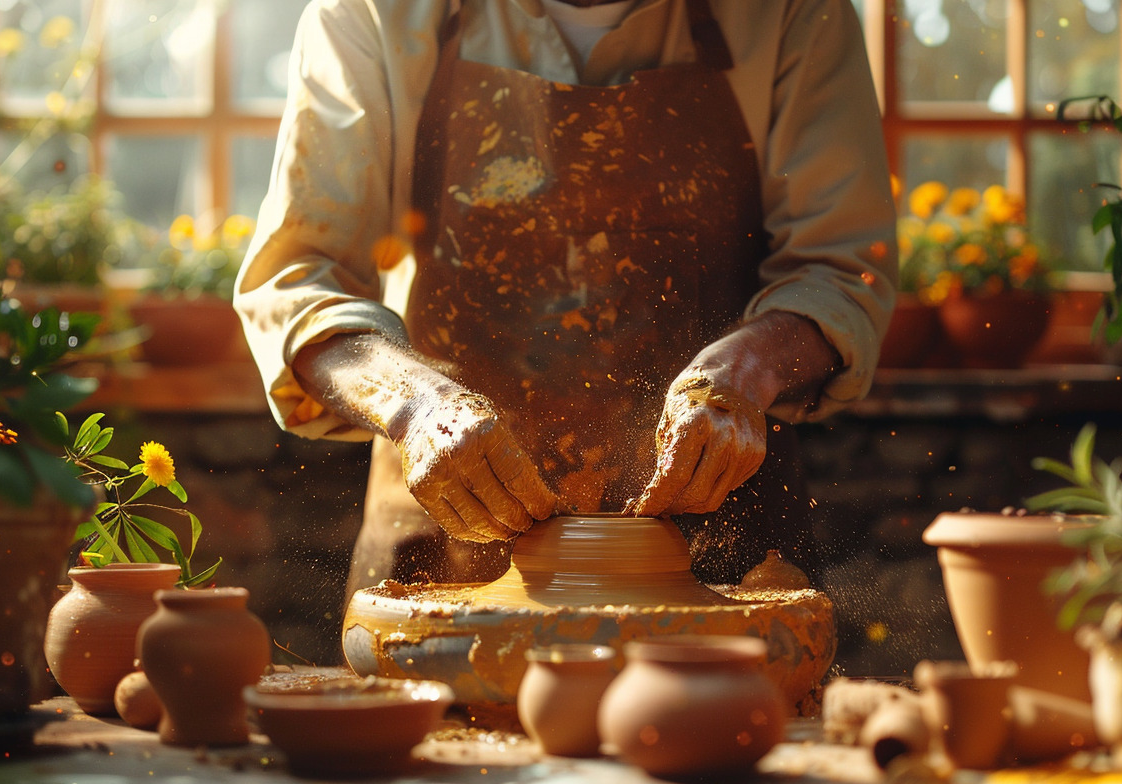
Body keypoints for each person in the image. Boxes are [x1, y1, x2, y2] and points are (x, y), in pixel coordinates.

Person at [234, 0, 897, 594]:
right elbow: (297, 280)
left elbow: (842, 271)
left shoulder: (790, 12)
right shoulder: (377, 12)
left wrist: (748, 371)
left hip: (722, 566)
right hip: (449, 548)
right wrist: (415, 405)